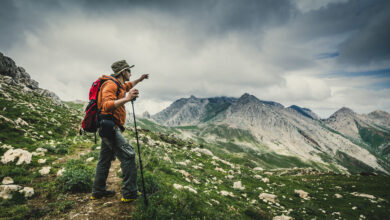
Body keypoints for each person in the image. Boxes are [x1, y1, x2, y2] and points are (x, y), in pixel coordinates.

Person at [91, 60, 149, 202]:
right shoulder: (111, 84)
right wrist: (128, 98)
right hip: (110, 127)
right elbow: (106, 105)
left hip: (107, 127)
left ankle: (97, 191)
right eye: (129, 71)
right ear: (123, 72)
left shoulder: (119, 85)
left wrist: (140, 79)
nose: (130, 73)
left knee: (104, 160)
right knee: (129, 155)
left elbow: (128, 85)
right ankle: (130, 193)